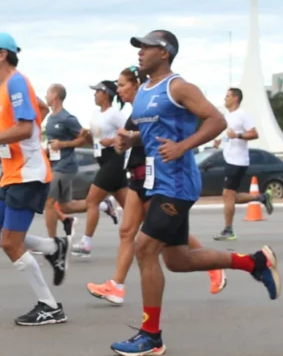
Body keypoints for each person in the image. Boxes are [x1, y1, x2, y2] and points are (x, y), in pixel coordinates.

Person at [109, 31, 281, 356]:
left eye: (145, 48)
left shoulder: (179, 87)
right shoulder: (143, 92)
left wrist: (183, 146)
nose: (140, 53)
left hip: (177, 183)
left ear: (164, 52)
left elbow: (216, 121)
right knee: (177, 260)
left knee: (145, 248)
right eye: (139, 48)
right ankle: (254, 262)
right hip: (157, 181)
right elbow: (151, 135)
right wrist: (130, 140)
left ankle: (151, 335)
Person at [87, 67, 228, 306]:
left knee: (163, 237)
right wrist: (125, 141)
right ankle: (117, 286)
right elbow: (141, 137)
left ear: (136, 85)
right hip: (137, 175)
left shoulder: (155, 106)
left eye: (122, 85)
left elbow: (163, 133)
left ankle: (214, 268)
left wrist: (130, 138)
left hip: (158, 177)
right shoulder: (136, 111)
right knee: (128, 231)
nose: (118, 90)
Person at [0, 33, 70, 325]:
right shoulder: (5, 86)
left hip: (28, 174)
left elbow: (24, 129)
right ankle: (52, 247)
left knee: (12, 243)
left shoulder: (15, 82)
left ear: (2, 54)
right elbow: (41, 110)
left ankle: (49, 306)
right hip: (11, 174)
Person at [73, 79, 126, 255]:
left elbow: (130, 133)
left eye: (97, 91)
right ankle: (156, 236)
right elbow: (94, 142)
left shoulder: (114, 114)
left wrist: (112, 140)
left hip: (114, 160)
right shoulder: (96, 114)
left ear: (106, 94)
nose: (94, 94)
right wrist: (86, 136)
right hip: (102, 159)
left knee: (91, 201)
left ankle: (86, 243)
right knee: (131, 206)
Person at [215, 87, 272, 241]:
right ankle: (261, 197)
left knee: (227, 195)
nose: (225, 99)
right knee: (230, 196)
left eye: (227, 96)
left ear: (236, 99)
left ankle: (228, 230)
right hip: (229, 159)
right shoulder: (228, 116)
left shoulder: (243, 115)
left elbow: (254, 133)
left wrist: (238, 135)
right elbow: (229, 135)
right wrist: (219, 141)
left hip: (238, 160)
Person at [42, 84, 86, 238]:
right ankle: (100, 205)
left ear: (55, 95)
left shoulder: (67, 118)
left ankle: (52, 243)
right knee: (65, 206)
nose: (45, 95)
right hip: (54, 164)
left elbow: (83, 139)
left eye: (47, 92)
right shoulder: (50, 118)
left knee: (48, 202)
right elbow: (51, 142)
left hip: (64, 166)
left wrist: (63, 144)